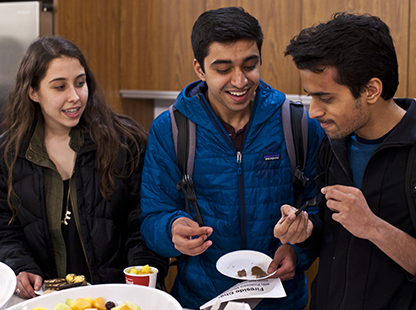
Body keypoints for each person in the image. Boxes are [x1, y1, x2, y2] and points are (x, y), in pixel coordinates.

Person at [275, 12, 416, 309]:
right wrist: (305, 233)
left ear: (371, 90)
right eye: (310, 97)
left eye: (325, 98)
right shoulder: (332, 144)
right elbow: (331, 239)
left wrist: (375, 228)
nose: (313, 111)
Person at [139, 7, 324, 310]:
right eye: (223, 69)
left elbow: (319, 210)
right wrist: (171, 230)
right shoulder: (171, 130)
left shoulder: (299, 124)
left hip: (281, 301)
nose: (240, 81)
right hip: (200, 299)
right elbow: (152, 217)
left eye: (250, 65)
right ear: (199, 69)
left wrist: (297, 250)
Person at [0, 36, 167, 299]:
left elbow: (146, 221)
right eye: (59, 87)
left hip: (118, 298)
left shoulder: (125, 143)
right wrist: (21, 266)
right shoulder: (8, 153)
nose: (75, 97)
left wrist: (139, 285)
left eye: (80, 83)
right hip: (49, 300)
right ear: (33, 92)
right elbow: (2, 226)